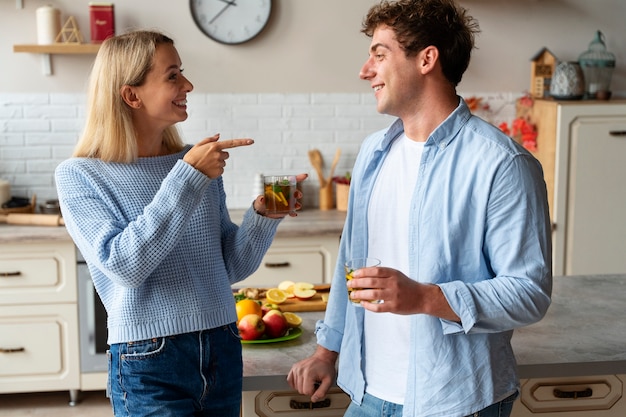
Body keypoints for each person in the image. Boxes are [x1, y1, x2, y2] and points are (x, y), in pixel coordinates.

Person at [287, 0, 552, 416]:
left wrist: (425, 298)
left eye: (380, 54)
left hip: (455, 400)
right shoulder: (375, 152)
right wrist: (326, 351)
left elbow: (528, 293)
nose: (365, 70)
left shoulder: (501, 164)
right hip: (367, 393)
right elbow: (350, 264)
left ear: (427, 58)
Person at [55, 30, 305, 417]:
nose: (187, 85)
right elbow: (125, 266)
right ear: (131, 95)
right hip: (148, 356)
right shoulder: (80, 175)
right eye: (172, 76)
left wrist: (263, 215)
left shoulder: (194, 164)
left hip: (221, 342)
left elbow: (229, 269)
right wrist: (187, 177)